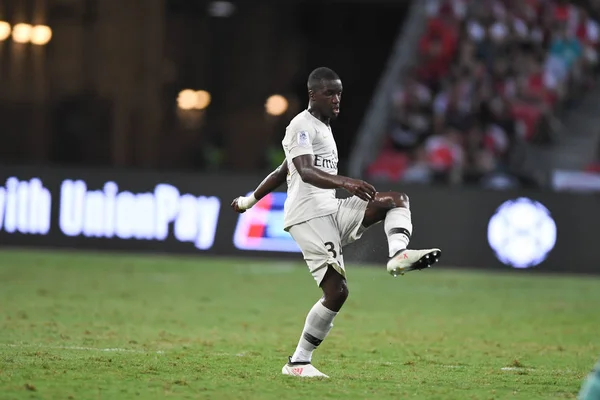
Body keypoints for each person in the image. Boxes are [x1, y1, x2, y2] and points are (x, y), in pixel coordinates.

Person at [231, 67, 441, 378]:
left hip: (332, 210)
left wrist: (250, 200)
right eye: (329, 93)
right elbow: (303, 170)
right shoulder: (300, 126)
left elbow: (281, 171)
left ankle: (398, 254)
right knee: (337, 292)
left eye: (339, 93)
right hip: (308, 216)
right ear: (312, 95)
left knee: (396, 201)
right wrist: (346, 182)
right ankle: (298, 363)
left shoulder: (323, 128)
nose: (336, 99)